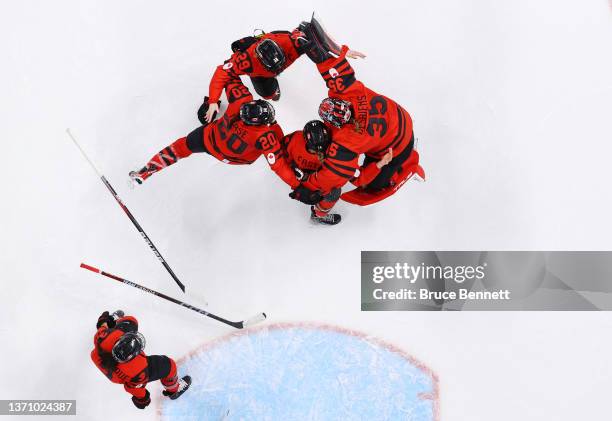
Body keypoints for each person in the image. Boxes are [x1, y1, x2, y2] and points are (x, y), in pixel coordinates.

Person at [290, 23, 424, 206]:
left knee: (372, 186)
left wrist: (307, 188)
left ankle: (408, 166)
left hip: (398, 147)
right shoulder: (349, 92)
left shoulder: (346, 141)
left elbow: (337, 178)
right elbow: (330, 64)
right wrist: (313, 45)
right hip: (401, 117)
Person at [129, 74, 299, 190]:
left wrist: (213, 101)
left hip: (210, 140)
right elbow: (278, 165)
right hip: (234, 159)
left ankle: (146, 172)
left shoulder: (241, 101)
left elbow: (226, 73)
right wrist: (296, 185)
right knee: (281, 149)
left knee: (181, 147)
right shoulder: (265, 135)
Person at [284, 120, 393, 225]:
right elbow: (280, 157)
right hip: (300, 177)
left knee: (334, 192)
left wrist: (381, 163)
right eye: (315, 150)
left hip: (319, 180)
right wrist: (294, 180)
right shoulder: (294, 139)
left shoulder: (337, 156)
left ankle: (318, 215)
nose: (319, 153)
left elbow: (358, 178)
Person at [201, 27, 310, 124]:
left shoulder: (284, 39)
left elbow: (305, 31)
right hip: (257, 69)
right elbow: (222, 71)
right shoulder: (245, 61)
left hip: (273, 47)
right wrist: (213, 101)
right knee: (268, 94)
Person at [90, 311, 190, 409]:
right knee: (170, 365)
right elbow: (133, 387)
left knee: (131, 321)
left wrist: (103, 321)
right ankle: (173, 390)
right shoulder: (138, 369)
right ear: (132, 357)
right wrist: (143, 399)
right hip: (131, 374)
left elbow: (101, 330)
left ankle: (114, 322)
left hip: (113, 365)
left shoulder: (105, 338)